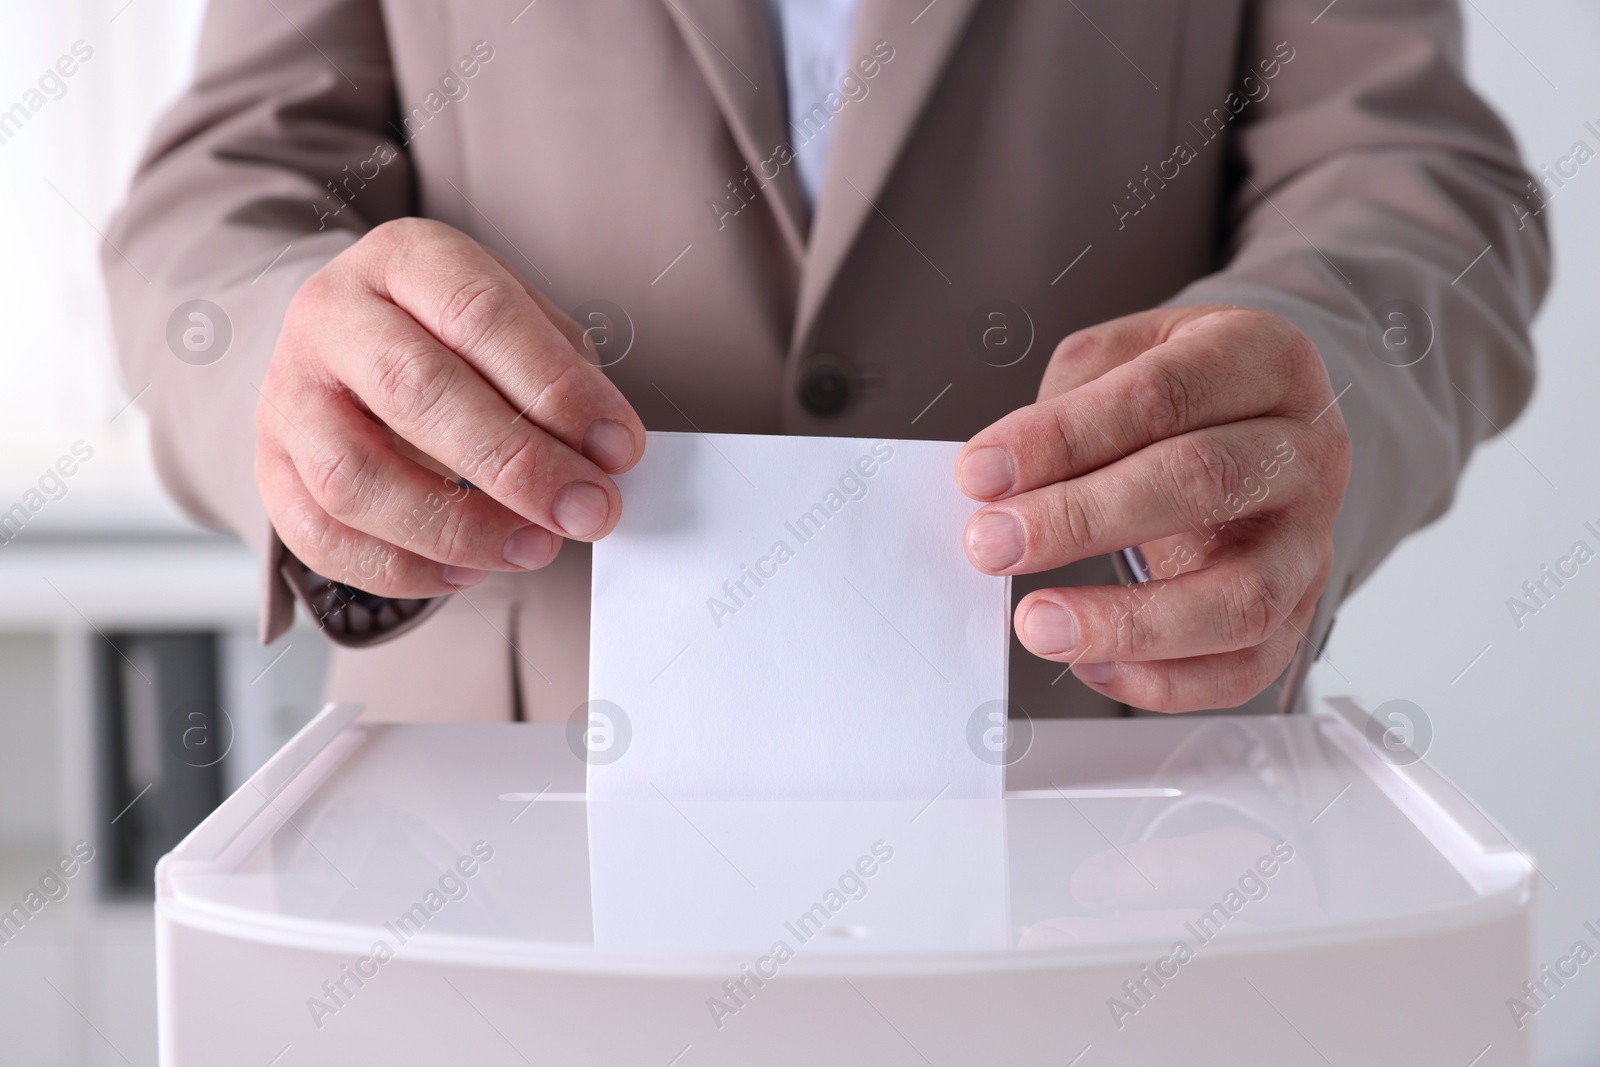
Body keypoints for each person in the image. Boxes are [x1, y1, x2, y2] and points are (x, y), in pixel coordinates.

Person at [102, 0, 1548, 723]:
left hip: (1118, 830)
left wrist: (1313, 393)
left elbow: (1413, 172)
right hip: (498, 842)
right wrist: (290, 373)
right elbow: (224, 187)